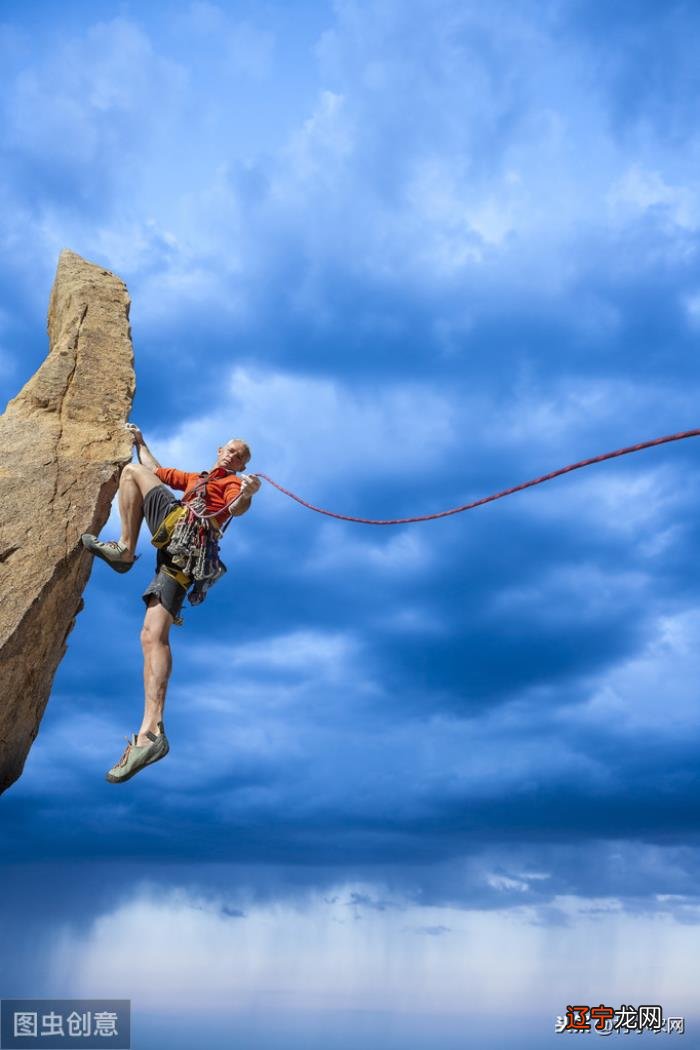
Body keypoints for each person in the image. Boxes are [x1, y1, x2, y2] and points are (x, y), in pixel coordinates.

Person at [81, 423, 261, 784]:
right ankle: (151, 732)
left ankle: (126, 549)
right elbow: (157, 469)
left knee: (132, 473)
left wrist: (249, 491)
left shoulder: (232, 484)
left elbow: (237, 508)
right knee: (151, 636)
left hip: (187, 537)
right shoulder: (198, 478)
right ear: (218, 450)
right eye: (230, 449)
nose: (232, 455)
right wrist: (141, 442)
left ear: (242, 466)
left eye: (239, 455)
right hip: (178, 553)